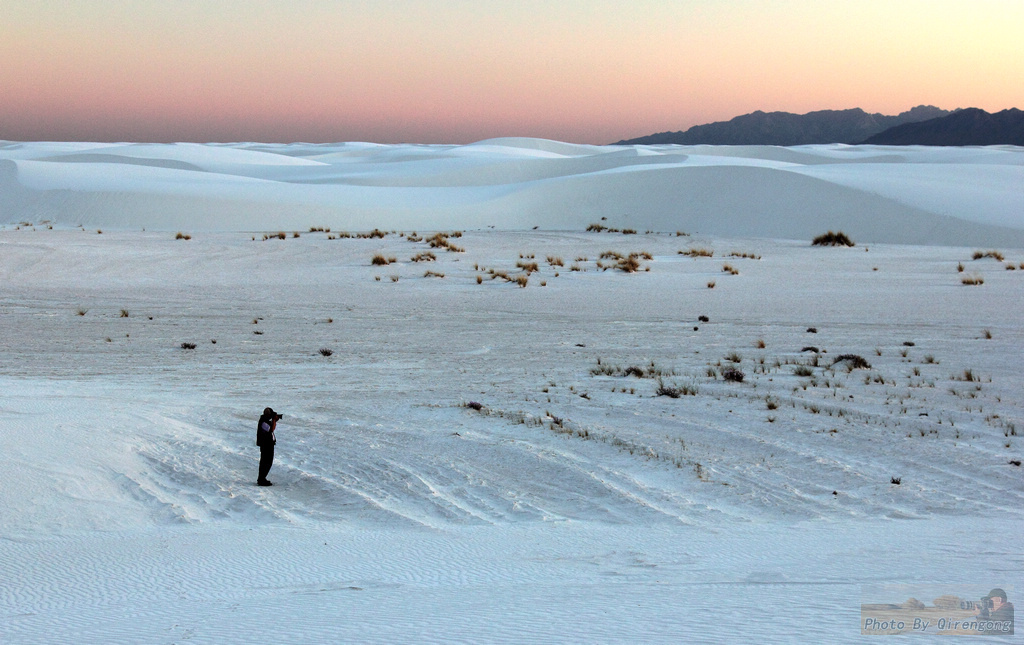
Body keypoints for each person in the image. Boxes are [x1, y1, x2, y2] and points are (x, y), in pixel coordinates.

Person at [256, 407, 281, 486]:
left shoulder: (265, 420)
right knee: (265, 462)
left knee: (267, 462)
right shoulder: (263, 422)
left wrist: (274, 420)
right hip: (266, 445)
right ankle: (261, 479)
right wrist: (274, 420)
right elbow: (271, 429)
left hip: (268, 444)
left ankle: (262, 478)